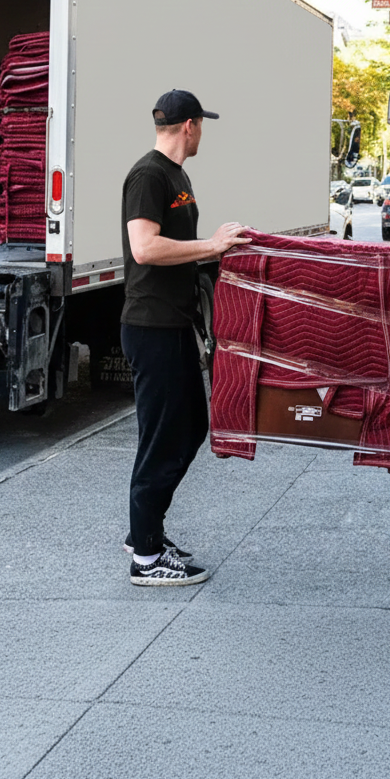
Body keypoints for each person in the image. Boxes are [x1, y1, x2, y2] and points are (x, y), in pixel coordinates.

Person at [120, 89, 250, 587]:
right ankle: (145, 558)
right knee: (163, 438)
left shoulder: (178, 176)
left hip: (175, 322)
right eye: (202, 125)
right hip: (151, 325)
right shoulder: (149, 175)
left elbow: (179, 247)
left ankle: (145, 531)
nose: (203, 132)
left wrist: (221, 252)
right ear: (190, 125)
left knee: (191, 426)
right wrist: (211, 243)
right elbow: (145, 247)